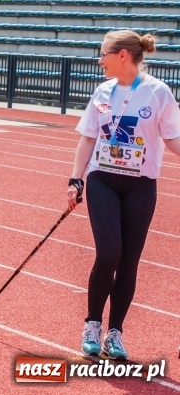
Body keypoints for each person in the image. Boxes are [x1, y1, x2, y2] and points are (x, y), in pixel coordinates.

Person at [68, 30, 180, 360]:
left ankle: (114, 332)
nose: (99, 60)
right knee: (109, 253)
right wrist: (76, 179)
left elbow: (173, 139)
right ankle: (92, 324)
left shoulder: (158, 92)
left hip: (141, 185)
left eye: (103, 54)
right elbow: (89, 138)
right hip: (103, 180)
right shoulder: (102, 91)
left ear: (122, 56)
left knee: (129, 260)